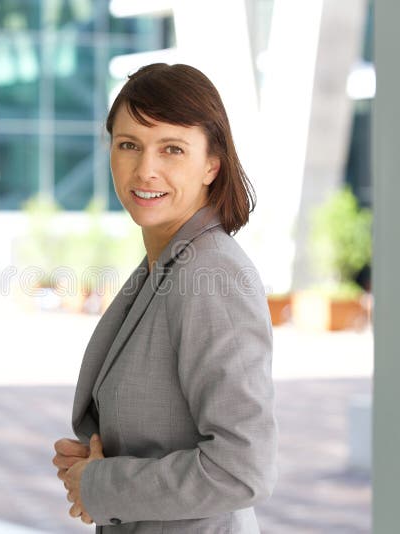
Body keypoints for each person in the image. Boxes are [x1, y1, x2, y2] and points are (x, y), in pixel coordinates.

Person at [51, 63, 278, 533]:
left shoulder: (211, 275)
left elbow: (241, 469)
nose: (145, 169)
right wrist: (100, 461)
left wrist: (103, 484)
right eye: (128, 145)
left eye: (172, 149)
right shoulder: (163, 266)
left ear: (212, 165)